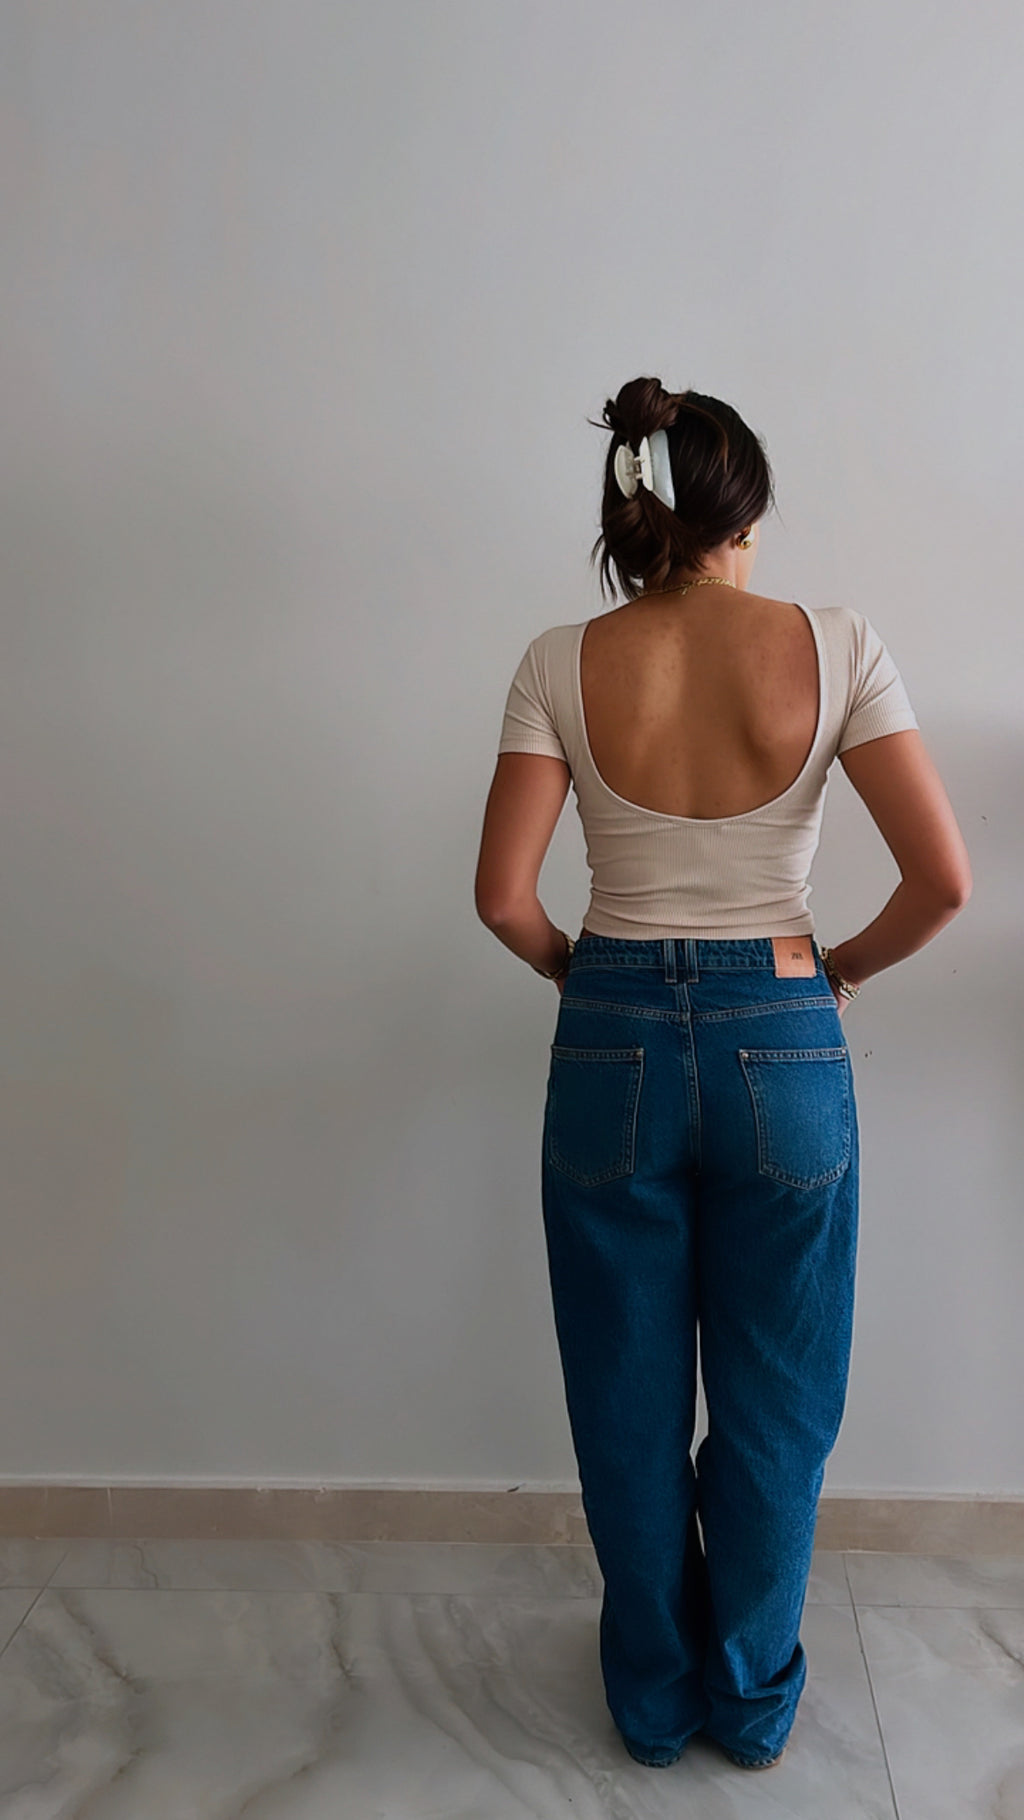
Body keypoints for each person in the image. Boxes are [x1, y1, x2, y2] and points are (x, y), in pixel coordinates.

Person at [473, 376, 972, 1773]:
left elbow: (503, 897)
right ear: (740, 507)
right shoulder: (841, 643)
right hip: (785, 1034)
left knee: (625, 1391)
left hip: (614, 1031)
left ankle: (651, 1692)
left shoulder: (554, 660)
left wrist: (589, 975)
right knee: (777, 1397)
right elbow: (943, 879)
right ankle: (751, 1699)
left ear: (631, 513)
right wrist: (845, 970)